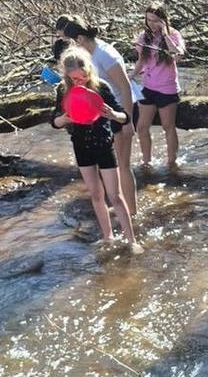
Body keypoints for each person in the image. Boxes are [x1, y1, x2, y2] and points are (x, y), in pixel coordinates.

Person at [51, 48, 142, 254]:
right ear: (67, 76)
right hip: (81, 146)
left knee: (115, 196)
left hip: (103, 143)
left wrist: (112, 114)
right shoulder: (63, 90)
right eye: (74, 78)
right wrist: (65, 119)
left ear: (89, 71)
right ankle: (108, 235)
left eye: (83, 77)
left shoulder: (101, 87)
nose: (79, 81)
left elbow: (125, 117)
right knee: (95, 194)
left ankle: (132, 240)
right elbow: (54, 121)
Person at [63, 16, 139, 216]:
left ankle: (132, 213)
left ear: (79, 39)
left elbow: (125, 87)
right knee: (112, 166)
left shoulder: (105, 55)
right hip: (106, 114)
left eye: (70, 42)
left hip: (122, 110)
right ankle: (119, 205)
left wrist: (128, 121)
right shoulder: (88, 56)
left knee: (122, 165)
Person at [133, 2, 186, 169]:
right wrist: (131, 75)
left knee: (167, 127)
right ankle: (147, 162)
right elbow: (142, 60)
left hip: (167, 88)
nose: (151, 23)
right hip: (149, 87)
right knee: (141, 127)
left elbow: (177, 56)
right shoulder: (143, 37)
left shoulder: (174, 35)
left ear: (163, 20)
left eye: (155, 20)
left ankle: (172, 163)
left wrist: (165, 34)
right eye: (148, 20)